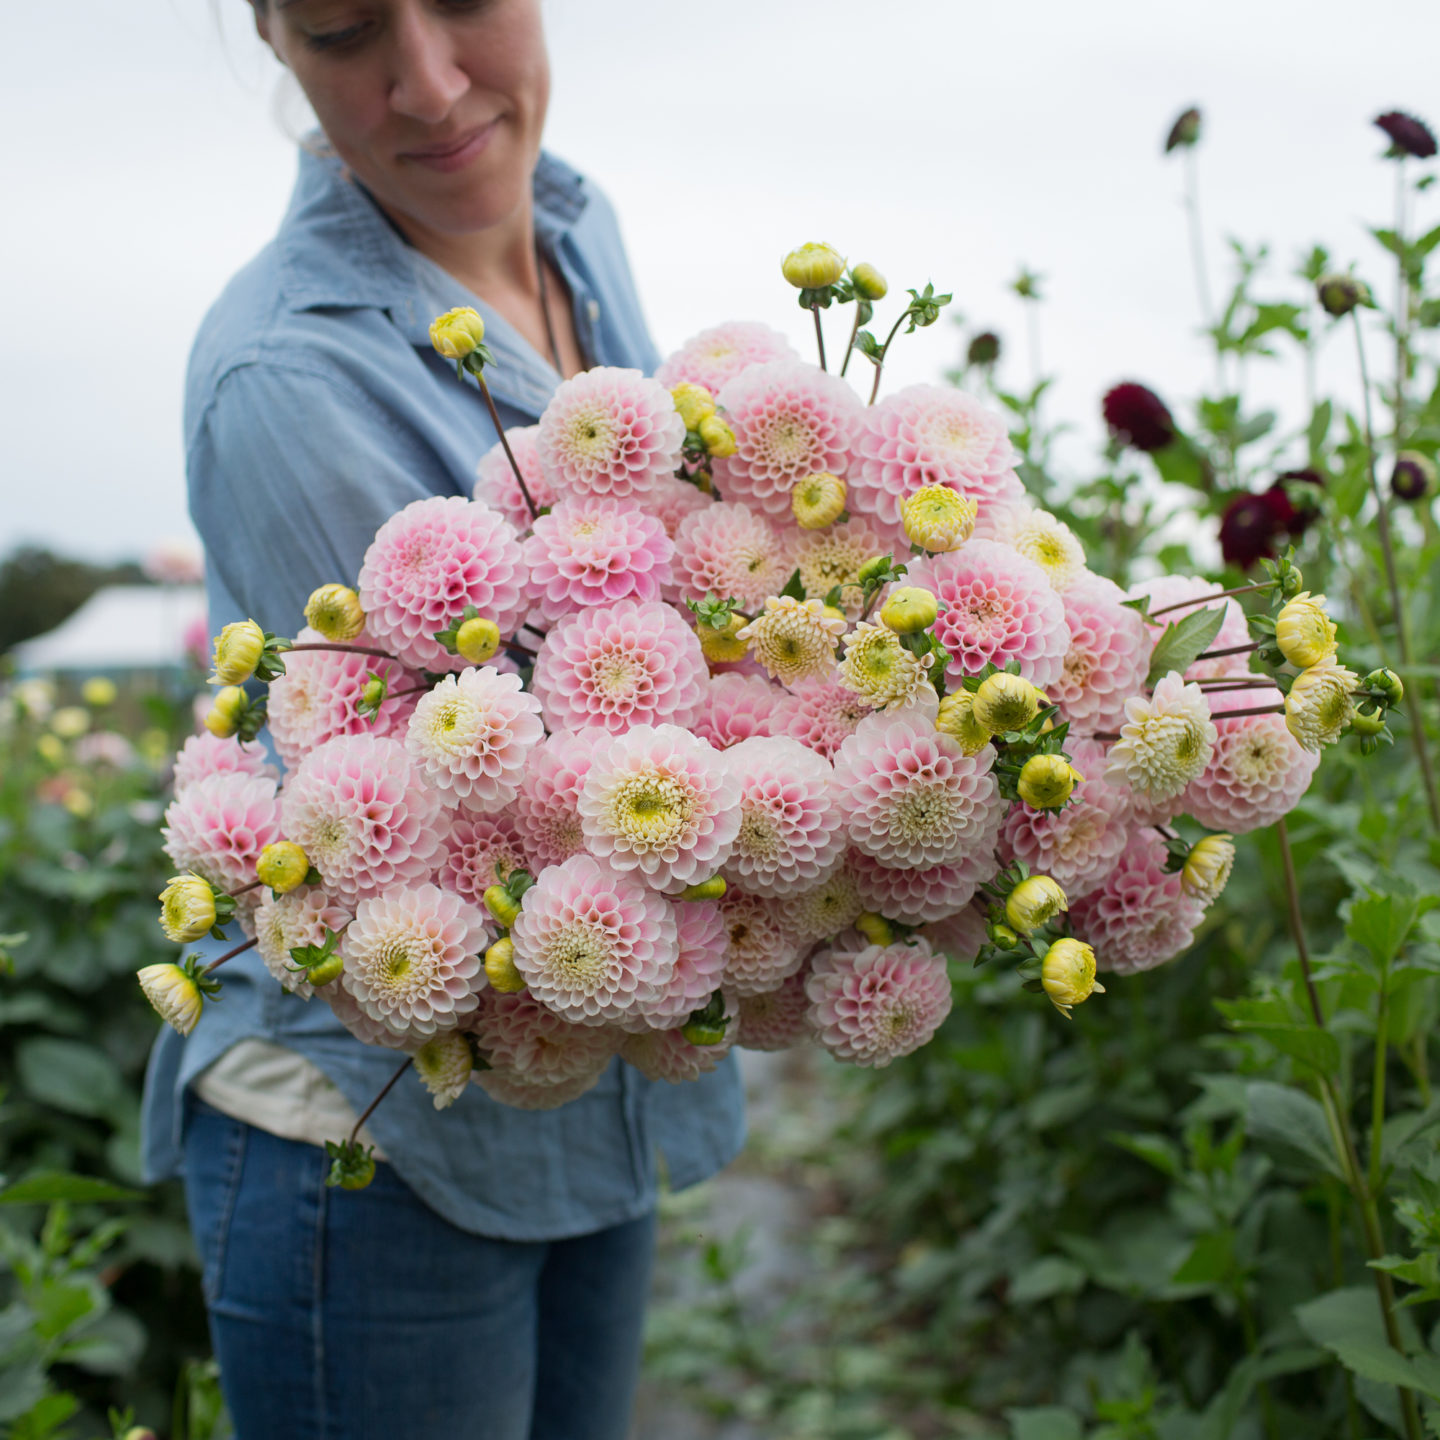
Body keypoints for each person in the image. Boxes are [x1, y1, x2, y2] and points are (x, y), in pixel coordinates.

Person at [139, 3, 746, 1436]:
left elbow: (659, 612)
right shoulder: (284, 377)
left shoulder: (572, 228)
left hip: (587, 1074)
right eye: (348, 31)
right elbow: (467, 804)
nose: (430, 83)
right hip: (382, 1143)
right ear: (274, 42)